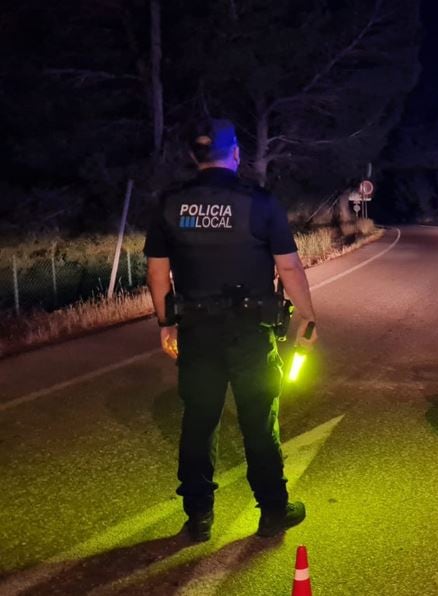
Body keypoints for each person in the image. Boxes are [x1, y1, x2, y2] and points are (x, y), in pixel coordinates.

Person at [143, 118, 318, 542]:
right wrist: (307, 319)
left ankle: (199, 516)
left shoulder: (170, 204)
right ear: (235, 152)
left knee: (199, 421)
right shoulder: (259, 202)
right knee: (259, 422)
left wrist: (167, 324)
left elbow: (157, 273)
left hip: (197, 332)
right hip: (251, 332)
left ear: (192, 156)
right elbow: (289, 266)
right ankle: (273, 511)